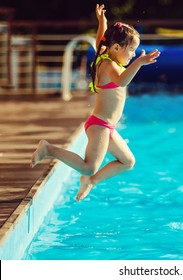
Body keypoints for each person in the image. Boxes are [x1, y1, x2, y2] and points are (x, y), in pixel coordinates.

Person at [30, 4, 160, 201]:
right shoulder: (109, 65)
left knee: (128, 162)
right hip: (99, 126)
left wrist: (102, 22)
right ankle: (49, 149)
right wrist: (139, 63)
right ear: (116, 47)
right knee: (88, 167)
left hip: (107, 127)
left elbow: (102, 40)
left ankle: (90, 181)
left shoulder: (105, 55)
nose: (134, 54)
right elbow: (122, 80)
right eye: (131, 49)